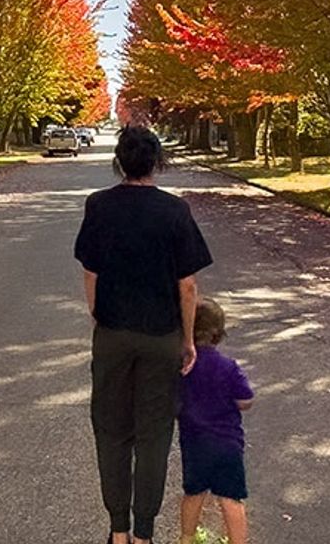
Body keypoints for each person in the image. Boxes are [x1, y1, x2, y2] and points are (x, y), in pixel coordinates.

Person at [75, 121, 213, 544]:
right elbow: (187, 285)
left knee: (112, 430)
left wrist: (98, 314)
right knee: (154, 434)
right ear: (156, 162)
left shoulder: (99, 206)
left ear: (119, 162)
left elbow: (90, 269)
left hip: (113, 333)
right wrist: (187, 340)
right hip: (160, 336)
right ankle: (144, 534)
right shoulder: (175, 211)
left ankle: (117, 529)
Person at [176, 297, 253, 544]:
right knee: (231, 498)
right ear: (219, 334)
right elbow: (245, 400)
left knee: (193, 494)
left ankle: (187, 538)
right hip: (228, 444)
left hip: (195, 443)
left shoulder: (182, 367)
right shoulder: (228, 367)